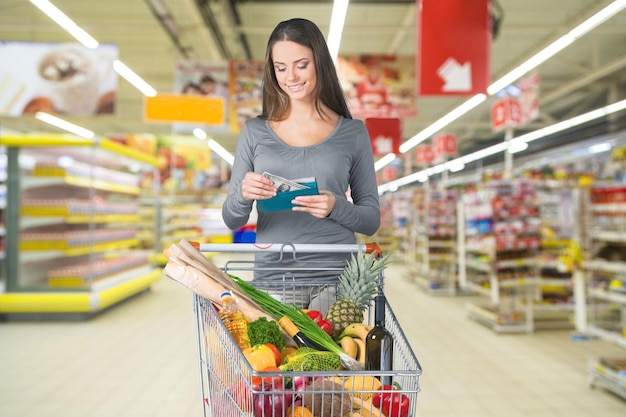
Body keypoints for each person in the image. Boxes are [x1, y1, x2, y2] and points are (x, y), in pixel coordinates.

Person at [221, 18, 381, 305]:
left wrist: (336, 205)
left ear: (319, 62)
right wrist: (244, 195)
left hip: (337, 280)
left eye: (301, 64)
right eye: (280, 68)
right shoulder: (255, 132)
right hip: (274, 278)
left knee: (328, 351)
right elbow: (233, 219)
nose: (290, 77)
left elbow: (371, 220)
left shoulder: (352, 133)